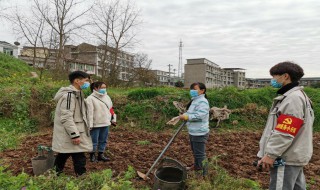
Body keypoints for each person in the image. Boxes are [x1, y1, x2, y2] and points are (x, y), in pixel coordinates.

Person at [257, 61, 314, 189]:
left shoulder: (292, 99)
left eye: (274, 76)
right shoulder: (298, 96)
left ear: (285, 76)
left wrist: (271, 154)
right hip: (293, 156)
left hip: (285, 158)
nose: (273, 80)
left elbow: (285, 132)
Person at [52, 71, 93, 176]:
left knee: (64, 153)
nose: (88, 83)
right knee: (78, 155)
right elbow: (66, 117)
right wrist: (74, 134)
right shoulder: (69, 96)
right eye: (86, 80)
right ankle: (82, 176)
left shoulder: (78, 94)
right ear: (77, 81)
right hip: (73, 132)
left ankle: (55, 173)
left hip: (75, 130)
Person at [179, 82, 210, 176]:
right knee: (195, 152)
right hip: (193, 131)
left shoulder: (203, 102)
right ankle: (197, 166)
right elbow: (191, 113)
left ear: (202, 90)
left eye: (195, 89)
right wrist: (185, 115)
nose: (192, 91)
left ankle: (205, 174)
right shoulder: (195, 100)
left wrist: (187, 117)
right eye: (191, 89)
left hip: (199, 132)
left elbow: (200, 116)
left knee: (200, 155)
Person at [86, 81, 116, 162]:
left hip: (105, 122)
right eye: (102, 87)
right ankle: (92, 155)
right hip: (96, 124)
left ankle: (100, 154)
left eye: (104, 87)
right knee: (94, 141)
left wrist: (113, 119)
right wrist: (90, 124)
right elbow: (90, 113)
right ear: (95, 88)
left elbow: (110, 109)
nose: (104, 89)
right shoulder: (90, 98)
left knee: (103, 140)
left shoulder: (107, 97)